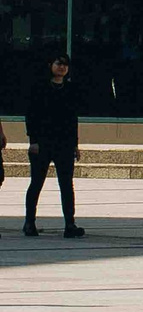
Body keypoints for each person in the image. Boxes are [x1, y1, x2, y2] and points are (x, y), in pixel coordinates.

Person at [22, 55, 84, 237]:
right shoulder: (39, 87)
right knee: (36, 183)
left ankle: (70, 224)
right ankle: (29, 222)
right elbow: (31, 115)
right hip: (42, 143)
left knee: (66, 184)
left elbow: (73, 119)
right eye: (59, 63)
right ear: (50, 65)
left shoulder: (70, 89)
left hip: (64, 144)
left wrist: (75, 144)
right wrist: (33, 141)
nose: (62, 67)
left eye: (65, 64)